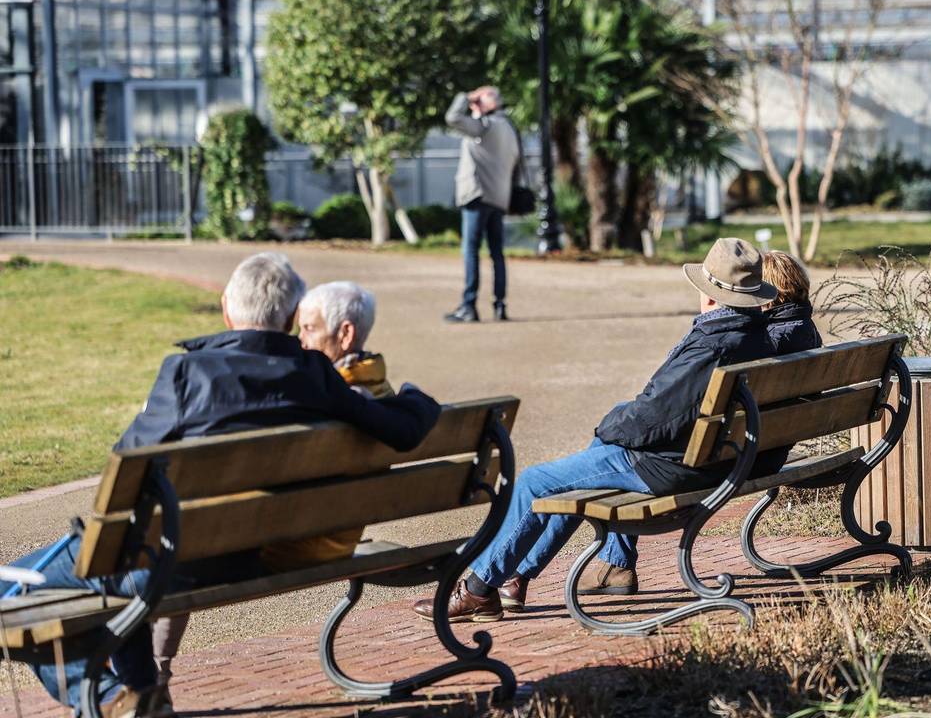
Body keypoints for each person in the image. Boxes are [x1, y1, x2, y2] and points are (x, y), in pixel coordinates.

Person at [9, 253, 441, 718]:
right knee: (121, 571)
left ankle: (111, 698)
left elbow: (122, 472)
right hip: (246, 554)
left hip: (170, 557)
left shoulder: (186, 374)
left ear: (226, 310)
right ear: (293, 317)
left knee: (15, 589)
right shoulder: (316, 375)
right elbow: (401, 429)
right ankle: (140, 697)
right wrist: (417, 397)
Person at [414, 238, 778, 623]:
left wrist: (609, 427)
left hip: (669, 468)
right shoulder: (757, 336)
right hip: (717, 460)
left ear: (708, 296)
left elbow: (653, 418)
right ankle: (587, 568)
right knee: (589, 458)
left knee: (535, 482)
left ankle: (477, 589)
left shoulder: (712, 346)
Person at [443, 85, 520, 324]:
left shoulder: (485, 126)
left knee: (471, 251)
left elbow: (452, 118)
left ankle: (468, 306)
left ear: (490, 103)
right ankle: (500, 304)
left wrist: (466, 97)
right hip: (499, 198)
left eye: (480, 100)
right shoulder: (509, 128)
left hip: (477, 196)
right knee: (497, 253)